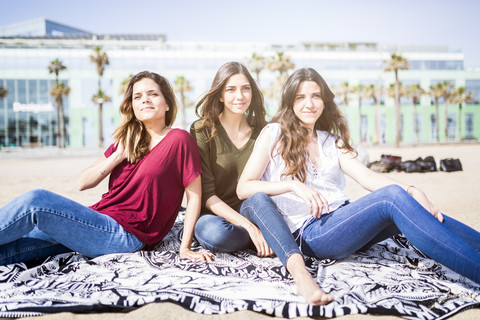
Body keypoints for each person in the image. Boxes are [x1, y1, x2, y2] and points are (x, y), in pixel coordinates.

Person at [237, 68, 480, 305]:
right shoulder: (274, 133)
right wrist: (291, 185)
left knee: (415, 208)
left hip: (343, 221)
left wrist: (413, 189)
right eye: (300, 97)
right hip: (312, 232)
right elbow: (244, 188)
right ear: (290, 102)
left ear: (324, 101)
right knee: (391, 198)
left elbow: (367, 177)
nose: (308, 103)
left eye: (315, 96)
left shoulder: (330, 141)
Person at [0, 70, 212, 266]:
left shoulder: (178, 139)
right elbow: (83, 183)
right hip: (96, 223)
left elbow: (193, 197)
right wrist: (117, 157)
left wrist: (185, 248)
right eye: (137, 96)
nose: (144, 99)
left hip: (126, 235)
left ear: (167, 104)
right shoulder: (127, 140)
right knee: (17, 246)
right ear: (132, 107)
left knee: (36, 201)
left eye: (152, 94)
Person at [190, 61, 271, 257]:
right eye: (231, 90)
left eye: (245, 89)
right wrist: (249, 227)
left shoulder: (264, 130)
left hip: (252, 209)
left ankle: (259, 235)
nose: (240, 96)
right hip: (214, 214)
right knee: (215, 234)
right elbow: (206, 193)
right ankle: (257, 237)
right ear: (220, 94)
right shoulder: (202, 129)